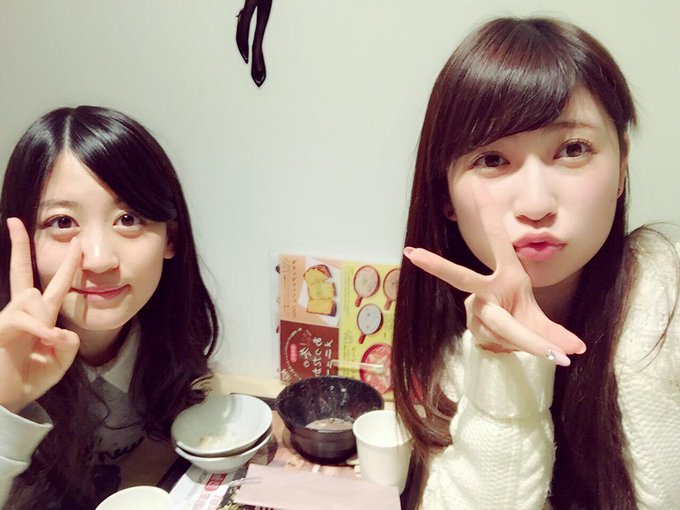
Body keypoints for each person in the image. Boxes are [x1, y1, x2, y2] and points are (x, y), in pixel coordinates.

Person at [392, 16, 680, 510]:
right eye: (492, 159)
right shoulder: (446, 347)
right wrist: (500, 364)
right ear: (446, 197)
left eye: (572, 149)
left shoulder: (669, 303)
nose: (535, 204)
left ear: (621, 167)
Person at [0, 106, 219, 509]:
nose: (100, 259)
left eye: (128, 218)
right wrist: (5, 404)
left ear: (170, 238)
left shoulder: (169, 334)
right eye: (62, 222)